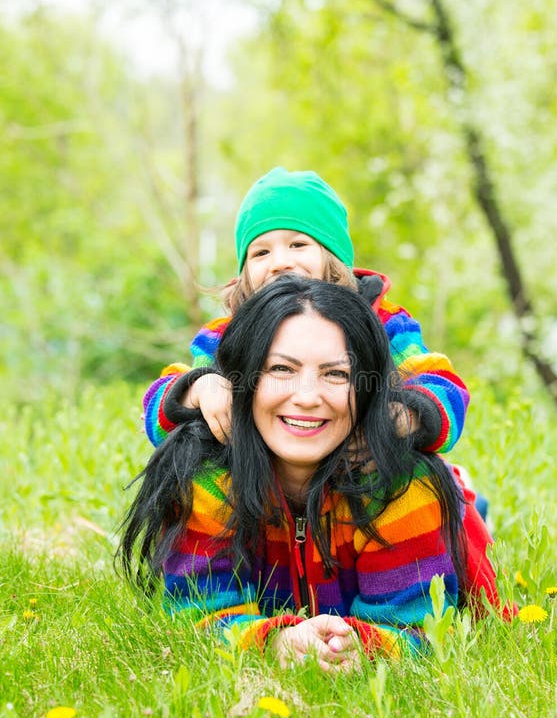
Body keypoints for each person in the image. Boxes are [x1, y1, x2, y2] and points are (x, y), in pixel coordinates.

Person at [118, 277, 505, 671]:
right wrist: (275, 642)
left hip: (407, 498)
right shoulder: (208, 481)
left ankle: (464, 496)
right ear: (239, 384)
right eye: (281, 368)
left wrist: (363, 645)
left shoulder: (400, 487)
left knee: (445, 496)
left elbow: (419, 633)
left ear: (368, 391)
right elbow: (193, 621)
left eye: (336, 374)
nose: (305, 396)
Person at [143, 167, 470, 465]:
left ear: (333, 257)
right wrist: (199, 387)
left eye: (298, 245)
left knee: (430, 481)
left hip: (364, 481)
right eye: (261, 252)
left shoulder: (387, 326)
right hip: (267, 488)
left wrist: (398, 418)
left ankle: (464, 495)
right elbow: (158, 419)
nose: (279, 262)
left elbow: (446, 392)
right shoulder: (223, 334)